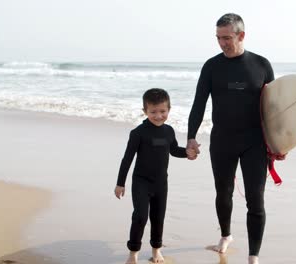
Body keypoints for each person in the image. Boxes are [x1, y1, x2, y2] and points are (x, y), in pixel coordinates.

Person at [186, 13, 285, 264]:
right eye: (218, 38)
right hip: (222, 141)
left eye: (227, 38)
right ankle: (226, 235)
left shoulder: (262, 65)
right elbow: (199, 104)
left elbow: (273, 110)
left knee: (255, 198)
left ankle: (253, 256)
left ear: (242, 35)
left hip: (254, 143)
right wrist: (190, 137)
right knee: (223, 193)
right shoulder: (211, 66)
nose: (222, 43)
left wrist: (280, 143)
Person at [115, 88, 196, 264]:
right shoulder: (138, 133)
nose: (158, 116)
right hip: (141, 182)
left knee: (158, 217)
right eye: (153, 112)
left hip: (161, 183)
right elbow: (127, 159)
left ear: (169, 109)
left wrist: (187, 153)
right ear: (145, 111)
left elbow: (173, 150)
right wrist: (120, 183)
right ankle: (133, 253)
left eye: (162, 111)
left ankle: (156, 250)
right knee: (140, 216)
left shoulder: (169, 131)